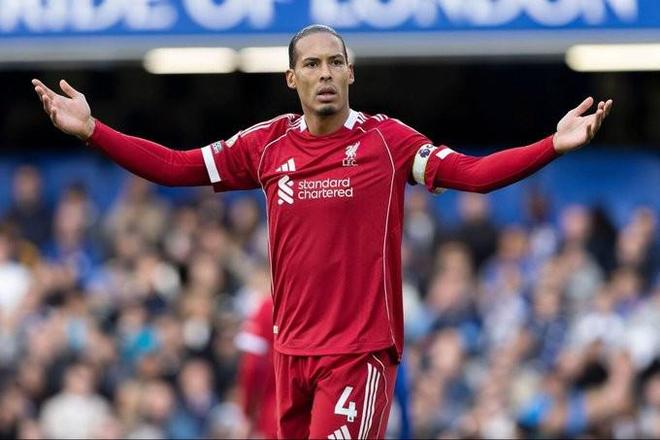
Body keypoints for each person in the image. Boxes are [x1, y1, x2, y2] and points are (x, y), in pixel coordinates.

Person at [32, 24, 613, 439]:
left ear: (351, 72)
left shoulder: (387, 142)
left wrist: (552, 144)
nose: (325, 73)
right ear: (292, 78)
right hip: (291, 355)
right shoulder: (265, 145)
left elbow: (475, 174)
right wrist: (93, 131)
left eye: (335, 62)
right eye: (311, 65)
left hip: (359, 353)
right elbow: (176, 166)